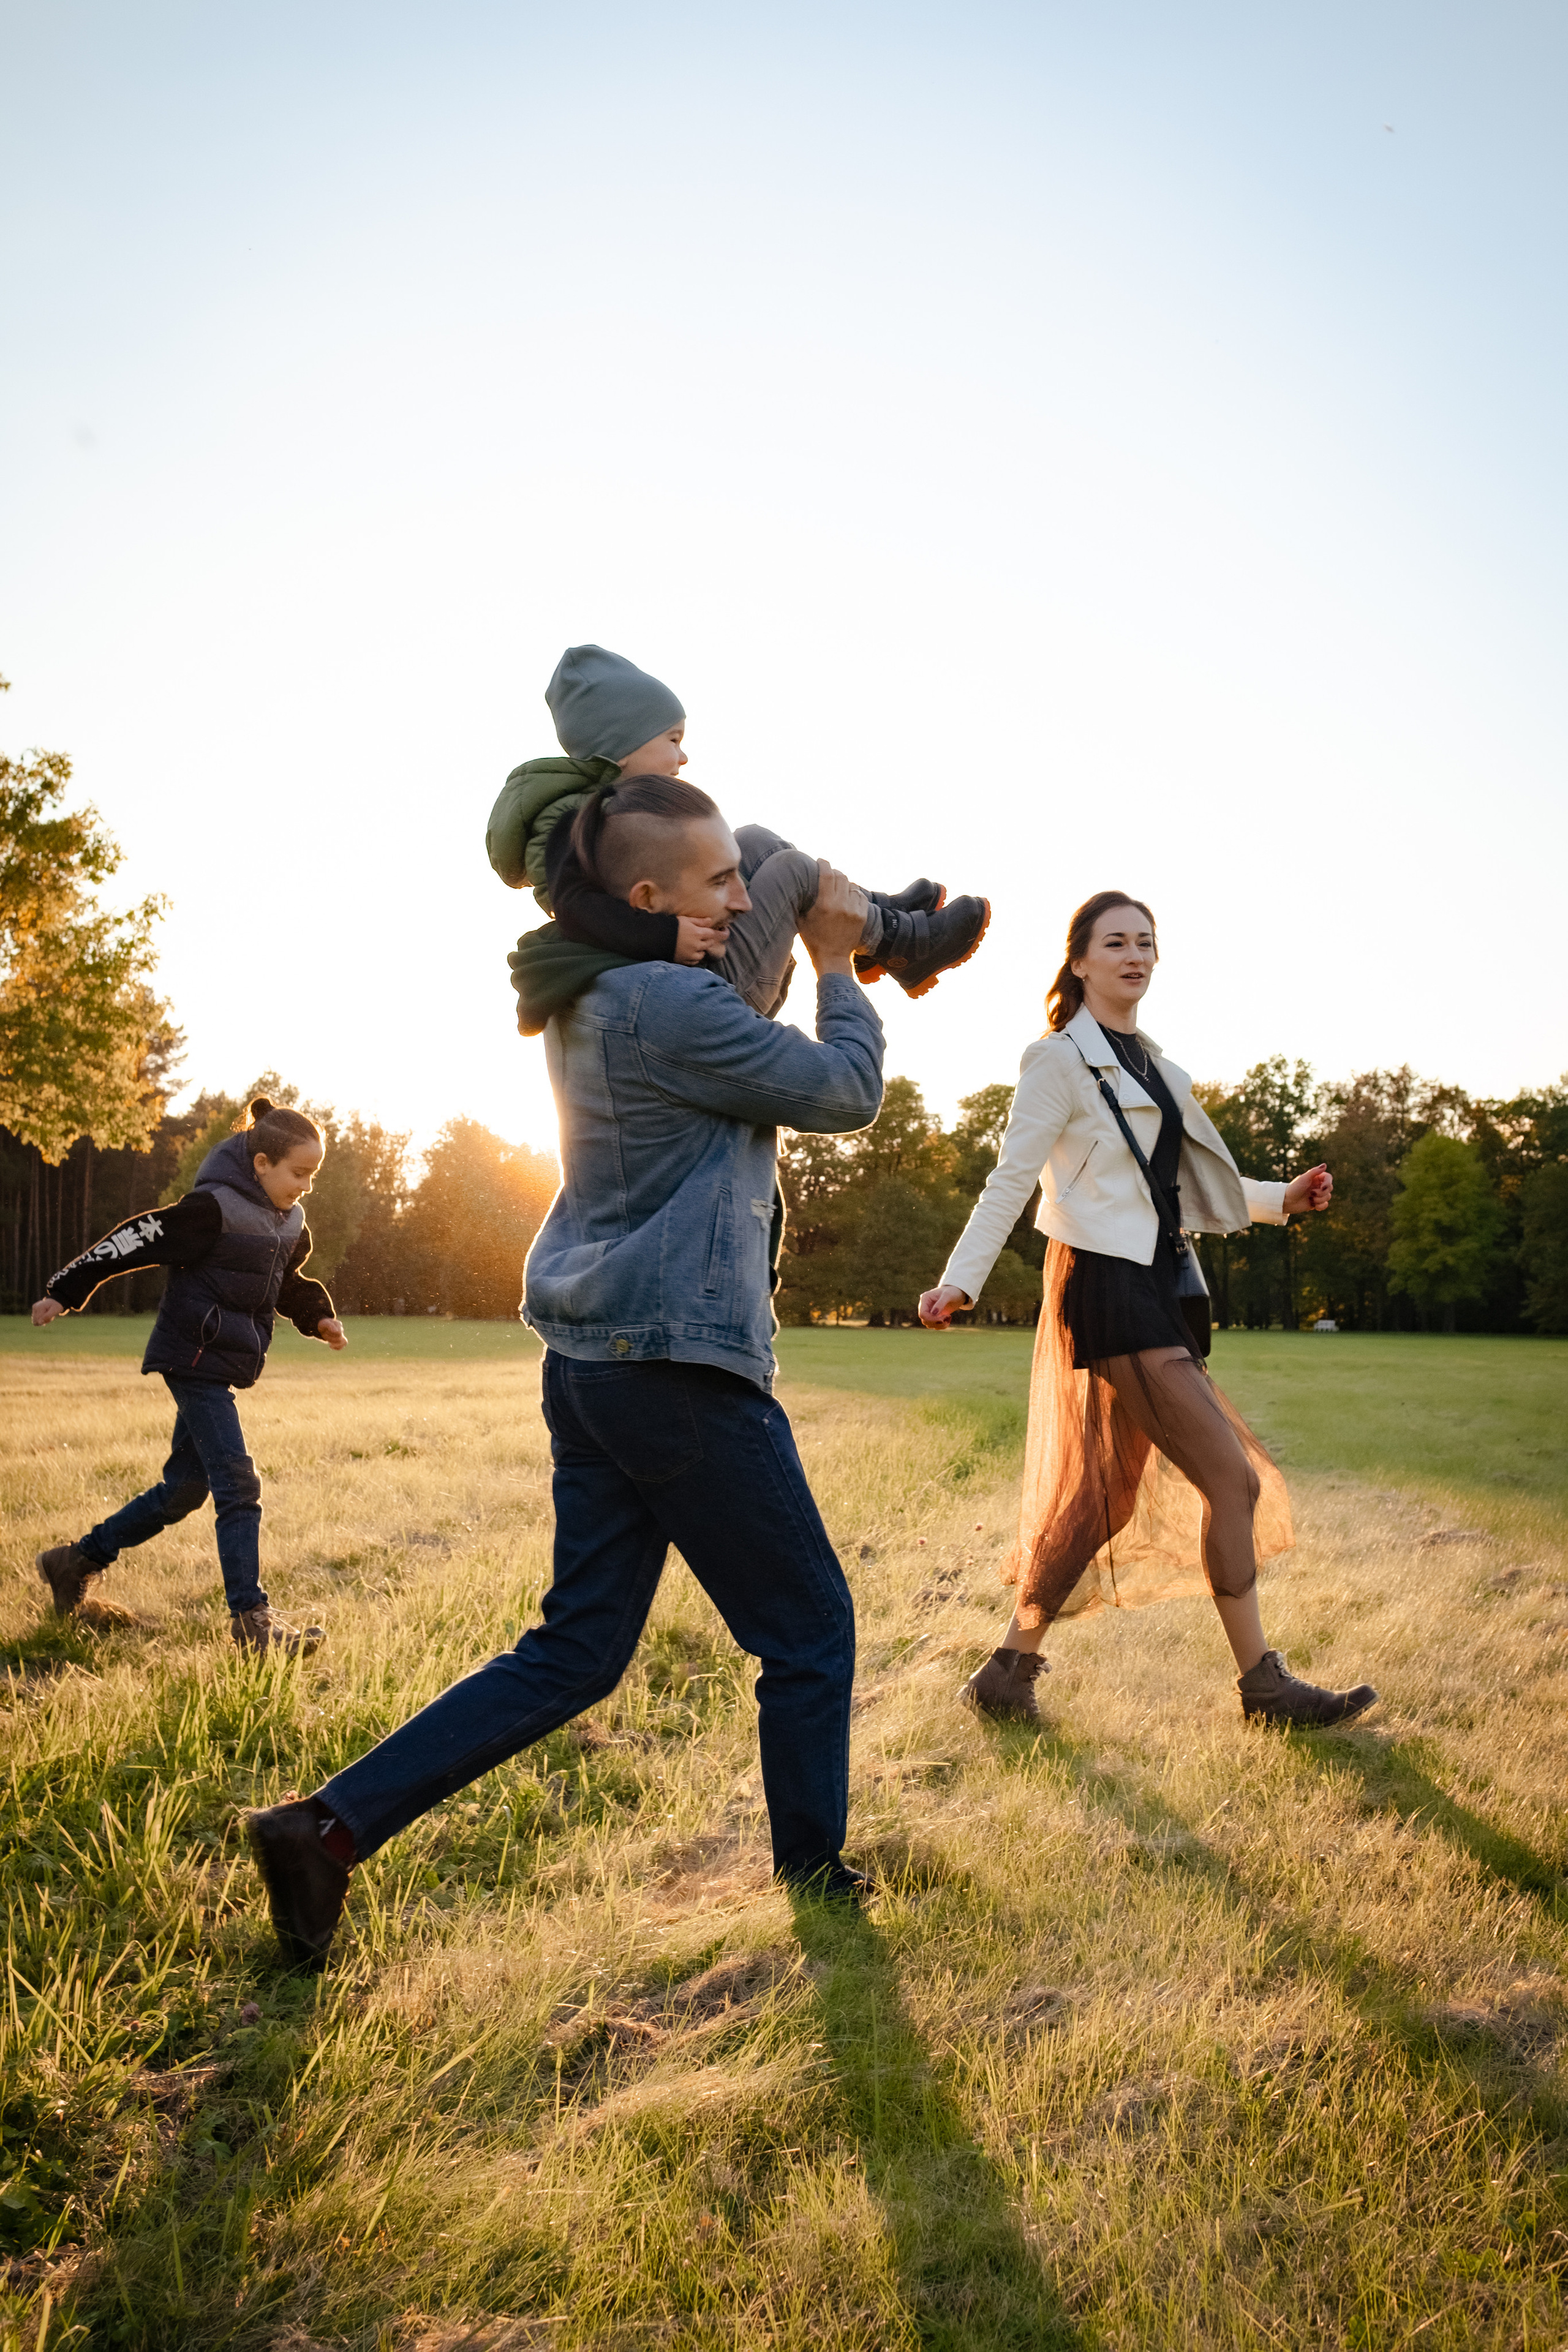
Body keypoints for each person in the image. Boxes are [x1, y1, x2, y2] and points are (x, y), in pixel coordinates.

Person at [246, 778, 886, 1967]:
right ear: (645, 898)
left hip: (593, 1363)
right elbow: (843, 1093)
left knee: (578, 1651)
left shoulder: (592, 988)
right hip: (678, 1370)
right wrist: (842, 965)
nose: (745, 900)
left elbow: (724, 948)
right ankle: (816, 1883)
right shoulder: (668, 1006)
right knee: (808, 1632)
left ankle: (321, 1831)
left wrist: (758, 903)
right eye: (718, 885)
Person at [919, 890, 1378, 1730]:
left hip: (1162, 1286)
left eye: (1146, 943)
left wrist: (1285, 1198)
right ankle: (1264, 1689)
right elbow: (1010, 1178)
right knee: (1232, 1479)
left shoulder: (1159, 1070)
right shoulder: (1057, 1060)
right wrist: (962, 1279)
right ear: (1080, 960)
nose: (1135, 956)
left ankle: (1006, 1670)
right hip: (1106, 1286)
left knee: (1106, 1497)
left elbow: (1190, 1190)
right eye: (1116, 943)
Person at [486, 642, 990, 1014]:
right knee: (790, 869)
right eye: (672, 739)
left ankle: (874, 918)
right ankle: (905, 944)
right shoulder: (571, 821)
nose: (683, 756)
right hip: (699, 989)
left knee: (749, 839)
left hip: (695, 968)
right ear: (620, 745)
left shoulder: (604, 806)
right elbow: (577, 908)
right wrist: (666, 936)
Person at [31, 1098, 346, 1656]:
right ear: (261, 1164)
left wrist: (317, 1315)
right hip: (191, 1358)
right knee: (237, 1481)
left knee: (183, 1492)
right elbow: (135, 1239)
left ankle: (75, 1560)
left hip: (220, 1364)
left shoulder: (290, 1222)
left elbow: (287, 1281)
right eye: (298, 1174)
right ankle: (252, 1621)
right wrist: (65, 1289)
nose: (305, 1187)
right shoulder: (211, 1210)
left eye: (313, 1177)